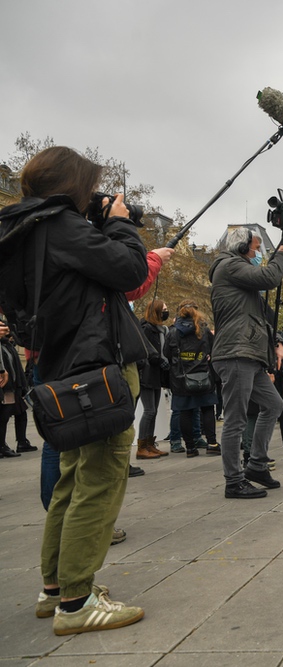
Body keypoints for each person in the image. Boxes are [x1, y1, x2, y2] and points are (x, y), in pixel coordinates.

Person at [0, 146, 148, 634]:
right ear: (73, 186)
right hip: (97, 365)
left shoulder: (22, 231)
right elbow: (128, 270)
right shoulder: (63, 229)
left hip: (58, 364)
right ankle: (77, 602)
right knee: (101, 476)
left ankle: (54, 589)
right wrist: (121, 223)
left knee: (70, 477)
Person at [210, 226, 283, 498]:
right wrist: (281, 256)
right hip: (235, 352)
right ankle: (233, 481)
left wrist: (277, 341)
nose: (259, 254)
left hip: (248, 353)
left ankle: (256, 464)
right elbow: (270, 277)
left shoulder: (240, 279)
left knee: (274, 404)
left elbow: (265, 314)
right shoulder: (230, 266)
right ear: (243, 248)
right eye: (256, 249)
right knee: (235, 419)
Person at [166, 301, 218, 458]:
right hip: (203, 375)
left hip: (181, 378)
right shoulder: (202, 329)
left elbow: (167, 353)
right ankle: (212, 444)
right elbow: (214, 347)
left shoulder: (173, 332)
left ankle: (190, 447)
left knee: (185, 411)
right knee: (207, 409)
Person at [136, 299, 172, 457]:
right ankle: (142, 445)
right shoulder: (146, 328)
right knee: (149, 410)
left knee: (154, 411)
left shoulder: (159, 329)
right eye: (163, 309)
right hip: (147, 374)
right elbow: (146, 350)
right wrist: (158, 359)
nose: (166, 311)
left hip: (156, 374)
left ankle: (149, 444)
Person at [0, 319, 32, 457]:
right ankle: (2, 445)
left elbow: (16, 368)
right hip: (6, 387)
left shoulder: (8, 346)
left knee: (20, 413)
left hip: (14, 386)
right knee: (4, 416)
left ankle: (21, 442)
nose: (5, 330)